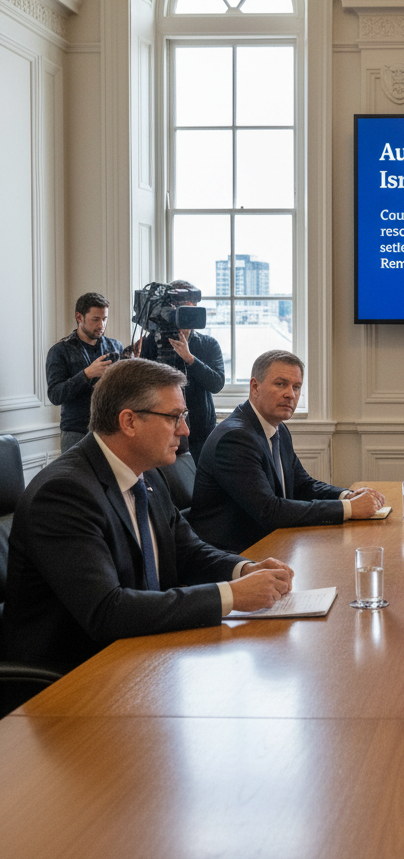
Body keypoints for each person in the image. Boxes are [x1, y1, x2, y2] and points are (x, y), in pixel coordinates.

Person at [3, 359, 294, 673]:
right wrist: (231, 595)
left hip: (141, 653)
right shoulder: (64, 493)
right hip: (72, 677)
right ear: (129, 422)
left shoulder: (147, 474)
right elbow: (107, 611)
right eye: (174, 417)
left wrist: (244, 569)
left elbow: (188, 551)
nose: (185, 430)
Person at [190, 350, 384, 553]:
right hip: (236, 556)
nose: (290, 394)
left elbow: (303, 485)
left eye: (296, 387)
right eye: (280, 384)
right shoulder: (235, 438)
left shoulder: (277, 428)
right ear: (255, 387)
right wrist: (350, 509)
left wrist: (347, 496)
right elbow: (270, 511)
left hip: (272, 545)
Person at [138, 280, 225, 460]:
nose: (184, 313)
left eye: (188, 307)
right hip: (162, 430)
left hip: (201, 432)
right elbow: (143, 387)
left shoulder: (208, 344)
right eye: (178, 307)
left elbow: (217, 384)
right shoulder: (152, 342)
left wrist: (190, 359)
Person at [46, 291, 125, 452]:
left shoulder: (116, 347)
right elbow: (55, 395)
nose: (101, 325)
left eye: (104, 319)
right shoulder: (60, 351)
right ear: (79, 317)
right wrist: (87, 374)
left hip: (110, 429)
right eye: (95, 319)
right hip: (76, 431)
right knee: (75, 477)